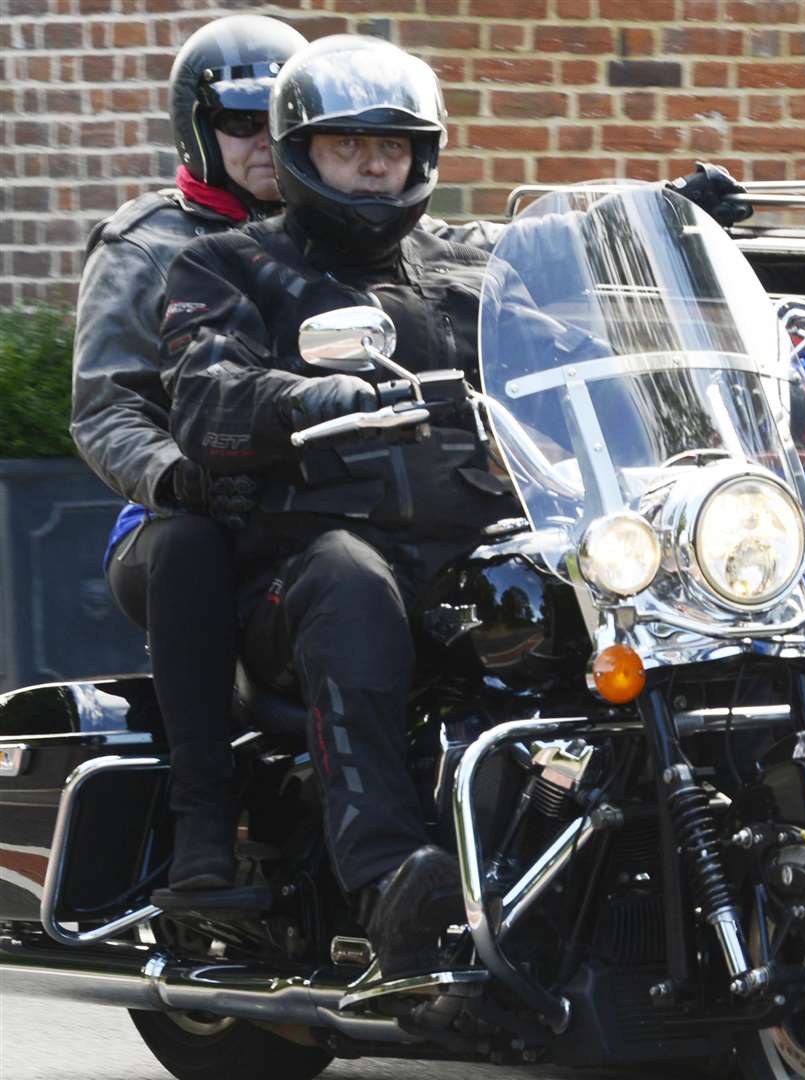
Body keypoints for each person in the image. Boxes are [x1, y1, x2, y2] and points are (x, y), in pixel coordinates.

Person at [157, 33, 543, 978]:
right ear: (300, 153)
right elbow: (205, 397)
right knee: (348, 580)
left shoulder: (471, 266)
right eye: (347, 145)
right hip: (301, 571)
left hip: (473, 548)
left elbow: (581, 343)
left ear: (426, 154)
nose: (376, 162)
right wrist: (303, 397)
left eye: (395, 144)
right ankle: (390, 880)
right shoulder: (225, 266)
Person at [71, 14, 308, 905]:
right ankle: (201, 818)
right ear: (198, 131)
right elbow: (106, 409)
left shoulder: (343, 232)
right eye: (240, 125)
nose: (260, 144)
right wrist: (179, 473)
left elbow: (485, 264)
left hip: (327, 506)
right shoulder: (145, 246)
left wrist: (661, 213)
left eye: (275, 124)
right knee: (189, 544)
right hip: (187, 519)